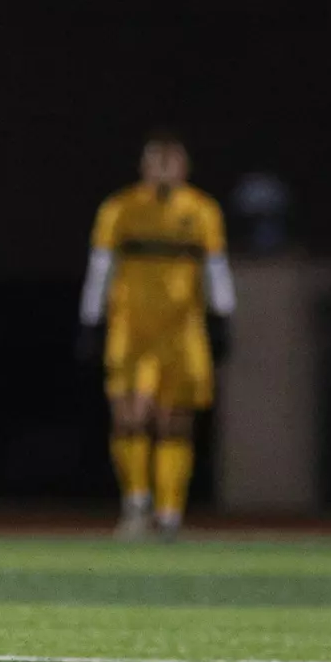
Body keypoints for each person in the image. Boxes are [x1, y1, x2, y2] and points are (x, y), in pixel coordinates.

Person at [77, 130, 235, 542]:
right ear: (144, 167)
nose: (164, 170)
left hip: (182, 333)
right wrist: (91, 319)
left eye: (171, 161)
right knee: (130, 415)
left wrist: (222, 316)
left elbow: (215, 266)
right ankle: (135, 503)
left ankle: (169, 514)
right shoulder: (120, 208)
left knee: (175, 421)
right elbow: (101, 265)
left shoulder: (201, 210)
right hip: (132, 331)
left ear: (184, 167)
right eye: (156, 161)